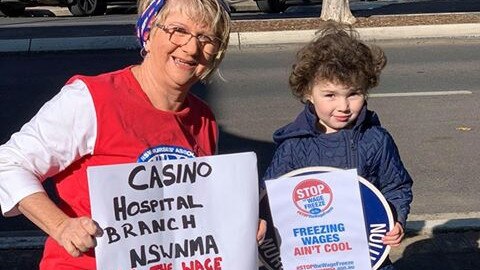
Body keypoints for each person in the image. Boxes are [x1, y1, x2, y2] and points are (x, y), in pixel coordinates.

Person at [0, 0, 265, 268]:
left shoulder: (203, 118)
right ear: (148, 34)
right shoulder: (91, 99)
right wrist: (61, 227)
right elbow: (9, 163)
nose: (192, 47)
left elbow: (190, 211)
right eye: (178, 30)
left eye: (207, 37)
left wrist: (236, 228)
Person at [262, 22, 413, 270]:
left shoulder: (376, 139)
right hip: (311, 260)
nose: (343, 106)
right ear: (308, 93)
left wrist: (396, 219)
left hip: (368, 257)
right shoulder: (292, 147)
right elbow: (267, 199)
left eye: (353, 94)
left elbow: (396, 186)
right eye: (330, 95)